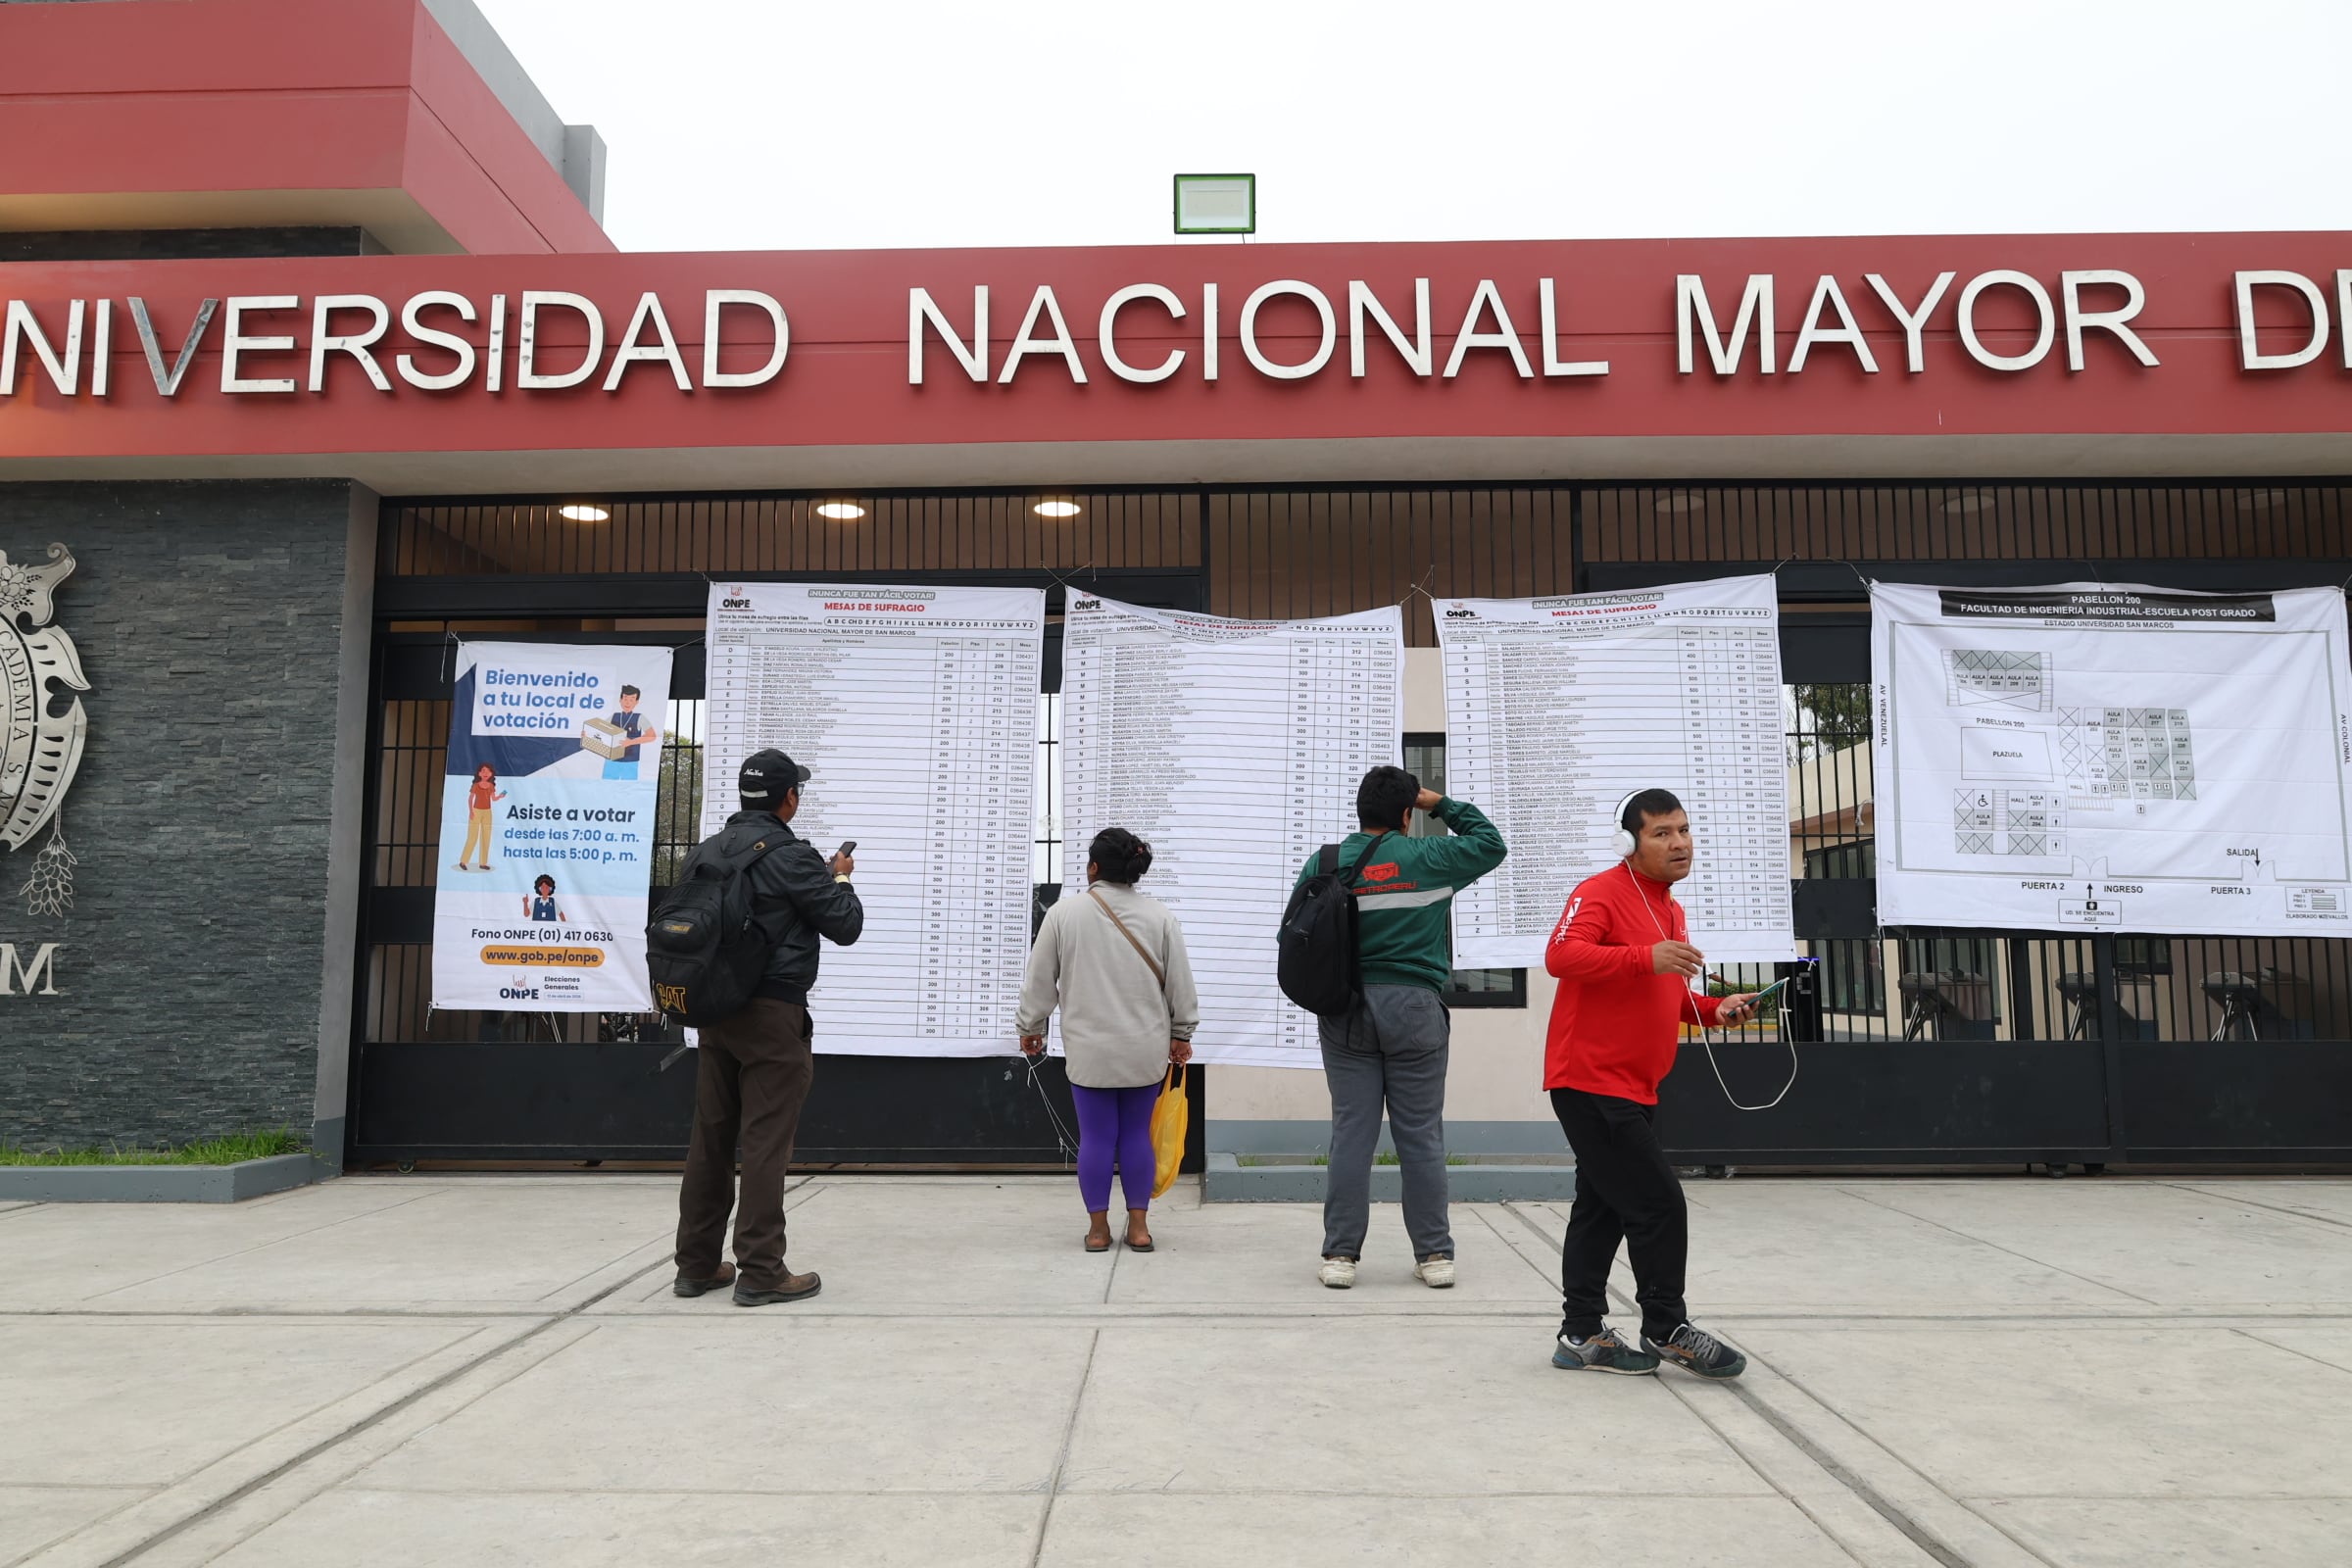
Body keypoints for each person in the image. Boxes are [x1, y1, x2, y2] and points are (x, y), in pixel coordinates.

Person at [1544, 788, 1761, 1378]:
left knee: (1602, 1208)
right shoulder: (1600, 892)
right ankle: (1667, 1328)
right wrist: (1646, 957)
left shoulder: (1669, 907)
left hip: (1638, 1085)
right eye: (1662, 833)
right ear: (1631, 842)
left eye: (1684, 830)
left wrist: (1714, 1010)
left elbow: (1663, 991)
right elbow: (1561, 957)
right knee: (1659, 1204)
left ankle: (1582, 1335)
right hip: (1590, 1079)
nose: (1679, 843)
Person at [1296, 765, 1506, 1291]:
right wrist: (1442, 805)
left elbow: (1298, 933)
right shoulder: (1432, 857)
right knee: (1420, 1136)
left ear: (1360, 810)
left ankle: (1340, 1256)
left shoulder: (1326, 862)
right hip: (1415, 1009)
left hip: (1345, 1009)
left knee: (1351, 1135)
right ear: (1408, 815)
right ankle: (1435, 1255)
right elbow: (1491, 843)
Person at [672, 748, 862, 1307]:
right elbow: (845, 925)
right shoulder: (791, 855)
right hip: (772, 1015)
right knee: (764, 1142)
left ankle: (697, 1266)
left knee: (710, 1139)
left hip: (714, 1012)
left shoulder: (707, 851)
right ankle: (760, 1270)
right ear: (789, 799)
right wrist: (841, 880)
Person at [1017, 827, 1200, 1251]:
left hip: (1089, 1051)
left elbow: (1040, 981)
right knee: (1136, 1136)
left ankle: (1098, 1231)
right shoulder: (1160, 917)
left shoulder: (1064, 915)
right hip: (1144, 1049)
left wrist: (1031, 1027)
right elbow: (1180, 986)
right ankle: (1139, 1228)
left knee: (1096, 1139)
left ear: (1094, 867)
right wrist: (1181, 1033)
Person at [601, 684, 659, 780]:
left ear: (636, 702)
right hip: (611, 760)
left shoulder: (639, 717)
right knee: (607, 787)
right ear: (620, 700)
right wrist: (588, 734)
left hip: (630, 761)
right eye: (625, 699)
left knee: (629, 788)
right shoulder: (614, 716)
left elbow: (652, 736)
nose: (628, 703)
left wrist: (631, 742)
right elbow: (600, 728)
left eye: (632, 700)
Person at [457, 764, 503, 871]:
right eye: (483, 771)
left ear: (491, 774)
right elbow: (470, 799)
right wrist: (471, 811)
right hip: (476, 811)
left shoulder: (491, 786)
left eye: (488, 771)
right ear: (479, 773)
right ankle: (463, 861)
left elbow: (493, 799)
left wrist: (500, 796)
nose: (485, 773)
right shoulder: (476, 785)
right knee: (472, 837)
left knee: (486, 837)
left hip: (487, 812)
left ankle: (483, 863)